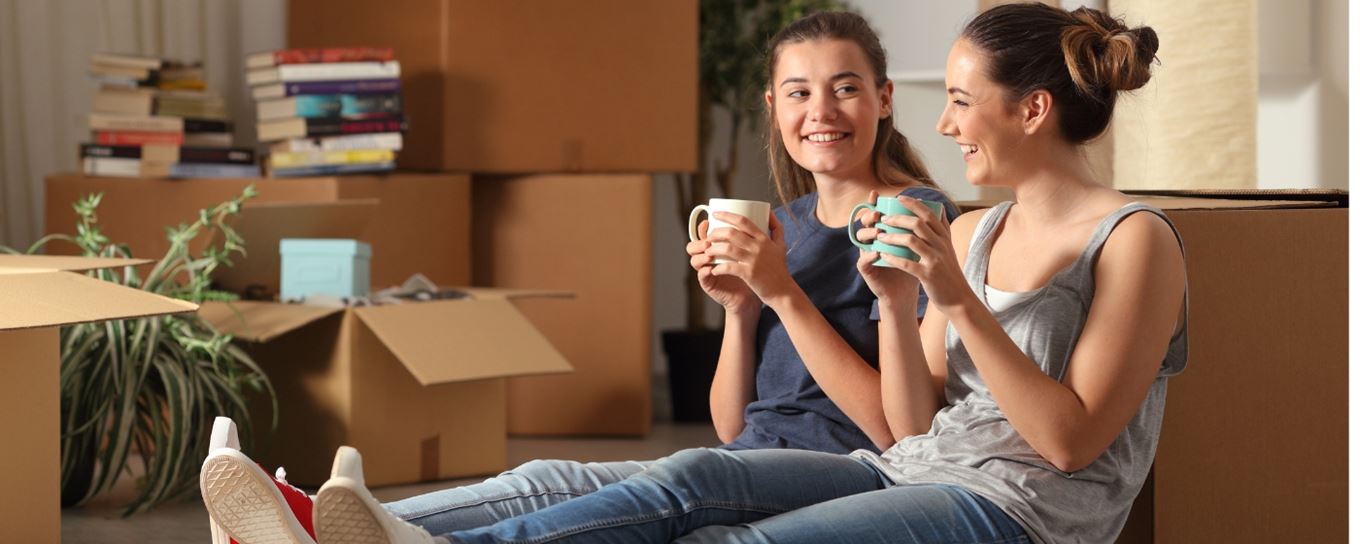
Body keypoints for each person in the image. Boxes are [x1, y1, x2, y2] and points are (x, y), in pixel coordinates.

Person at [300, 3, 1187, 543]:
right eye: (948, 100)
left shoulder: (1134, 239)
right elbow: (914, 431)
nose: (948, 122)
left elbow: (1071, 442)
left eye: (961, 99)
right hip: (918, 471)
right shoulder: (985, 231)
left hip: (1022, 514)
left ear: (1032, 110)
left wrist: (946, 297)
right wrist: (890, 304)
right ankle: (361, 530)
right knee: (690, 482)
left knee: (715, 529)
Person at [199, 10, 960, 544]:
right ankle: (310, 519)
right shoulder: (784, 225)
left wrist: (780, 295)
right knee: (552, 473)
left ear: (885, 99)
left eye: (846, 87)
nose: (821, 110)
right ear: (773, 105)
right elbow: (736, 424)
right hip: (748, 455)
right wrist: (736, 310)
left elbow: (900, 434)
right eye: (798, 91)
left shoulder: (912, 215)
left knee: (673, 475)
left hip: (844, 469)